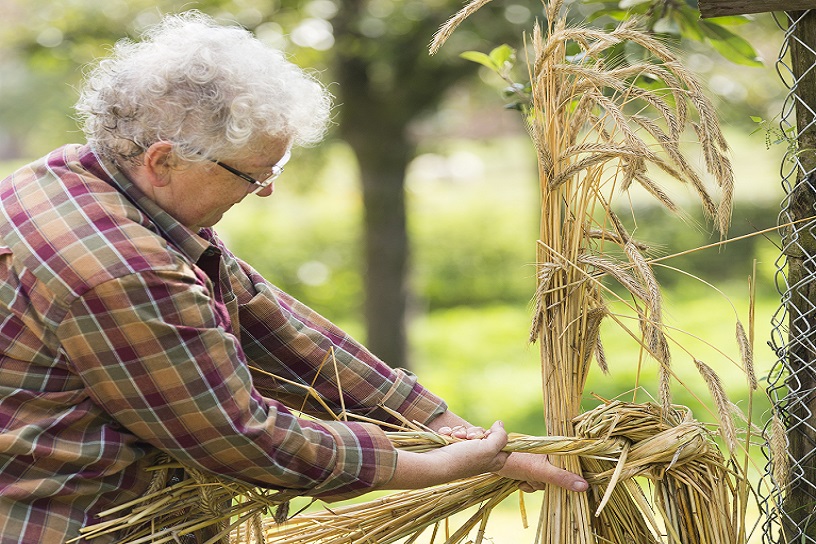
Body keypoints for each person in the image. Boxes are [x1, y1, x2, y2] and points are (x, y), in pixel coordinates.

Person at [0, 11, 587, 543]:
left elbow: (269, 322)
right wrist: (426, 467)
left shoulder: (66, 180)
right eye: (253, 174)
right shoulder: (121, 272)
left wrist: (438, 424)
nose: (267, 189)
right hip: (72, 524)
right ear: (163, 160)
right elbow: (238, 437)